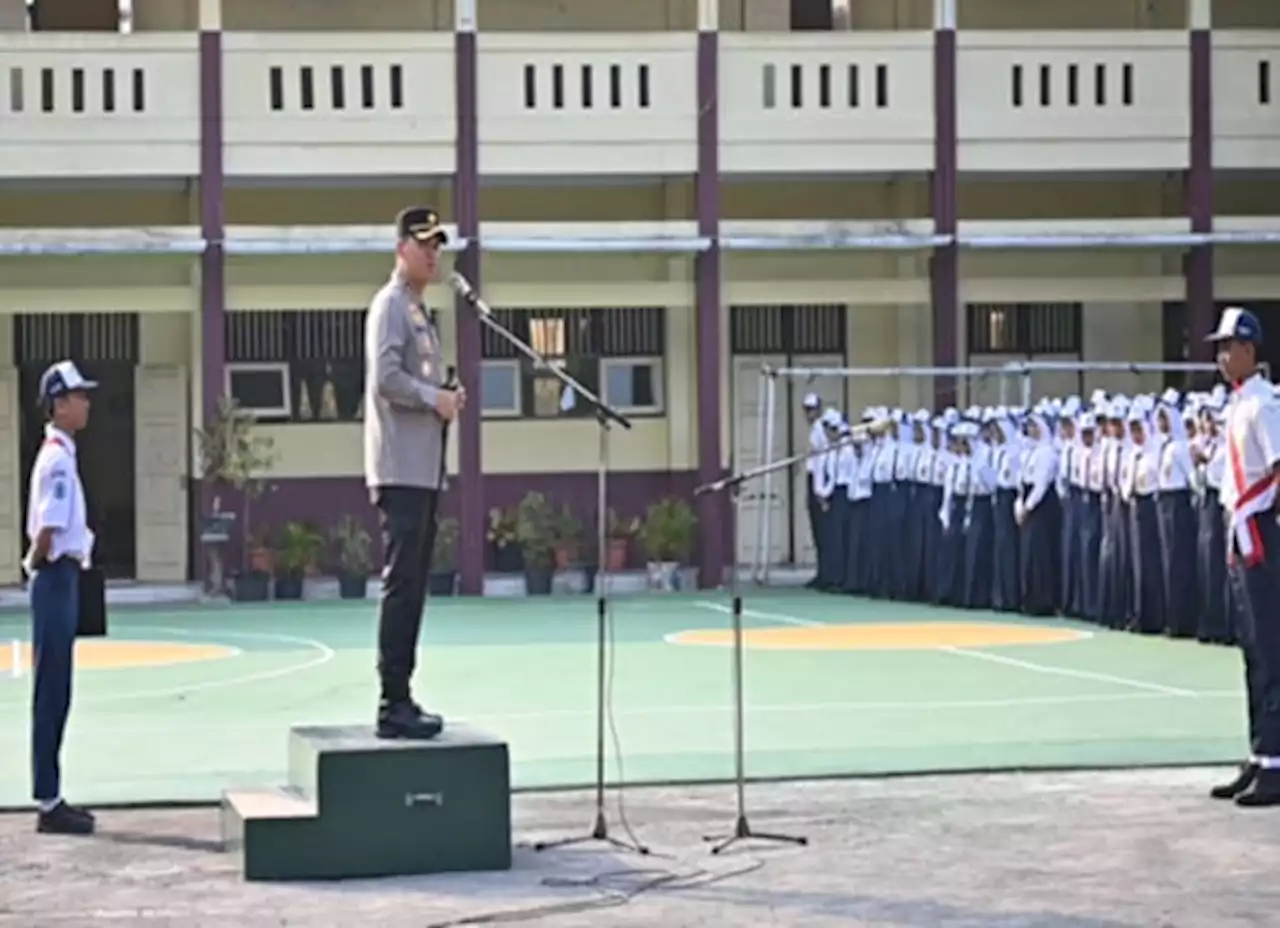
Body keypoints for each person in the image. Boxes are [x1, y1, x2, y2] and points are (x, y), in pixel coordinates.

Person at [364, 206, 465, 741]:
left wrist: (446, 397)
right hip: (400, 467)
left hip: (423, 468)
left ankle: (403, 694)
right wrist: (433, 397)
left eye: (438, 245)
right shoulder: (391, 306)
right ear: (401, 246)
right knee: (402, 586)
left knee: (416, 585)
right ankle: (392, 701)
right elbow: (386, 379)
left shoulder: (420, 311)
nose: (433, 253)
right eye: (423, 243)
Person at [1205, 306, 1280, 806]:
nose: (1221, 356)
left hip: (1262, 532)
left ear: (1249, 350)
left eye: (1228, 346)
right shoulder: (1236, 405)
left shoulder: (1265, 405)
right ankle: (1259, 754)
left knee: (1271, 649)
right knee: (1250, 648)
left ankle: (1276, 761)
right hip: (1240, 530)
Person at [24, 360, 98, 835]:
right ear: (59, 403)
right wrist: (35, 564)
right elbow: (49, 530)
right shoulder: (57, 460)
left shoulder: (61, 455)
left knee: (58, 686)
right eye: (79, 395)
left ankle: (52, 795)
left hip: (63, 576)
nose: (87, 402)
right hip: (55, 577)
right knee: (52, 688)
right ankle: (49, 801)